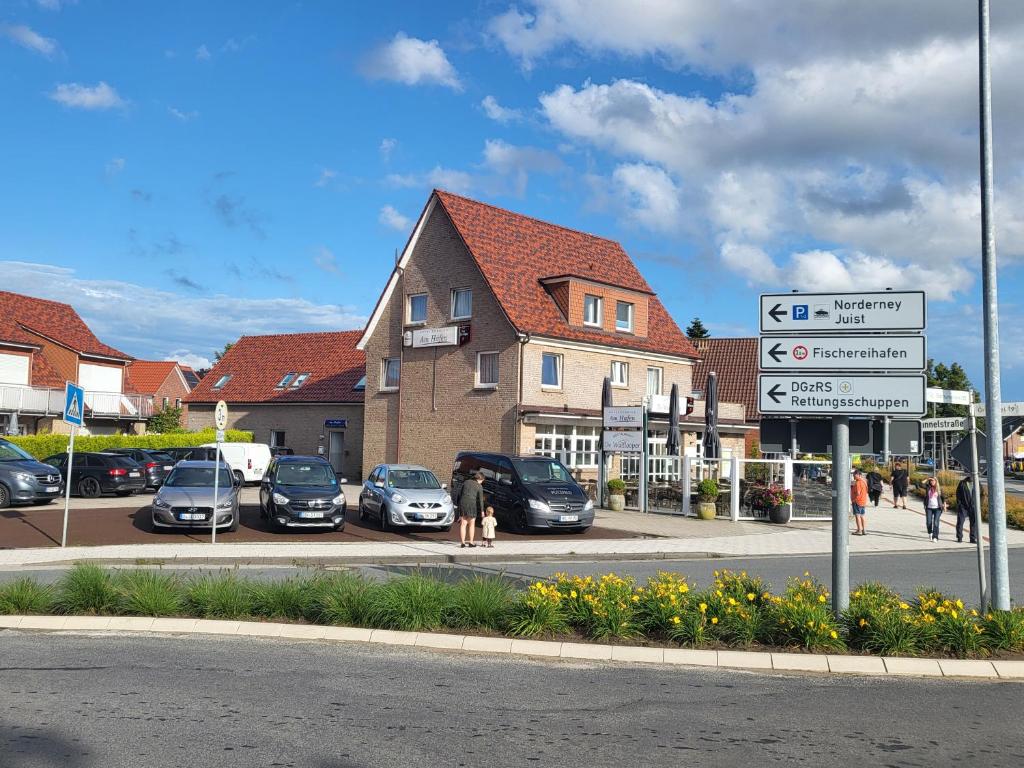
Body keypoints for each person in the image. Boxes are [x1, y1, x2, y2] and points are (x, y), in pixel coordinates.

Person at [456, 471, 484, 548]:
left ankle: (462, 543)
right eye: (482, 481)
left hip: (463, 504)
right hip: (472, 505)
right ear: (480, 478)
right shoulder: (479, 486)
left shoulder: (466, 482)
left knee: (463, 524)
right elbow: (481, 500)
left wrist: (458, 506)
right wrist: (482, 511)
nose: (482, 482)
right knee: (472, 524)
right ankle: (471, 542)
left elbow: (459, 494)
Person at [955, 476, 978, 544]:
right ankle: (959, 537)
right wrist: (959, 503)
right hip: (963, 506)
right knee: (960, 522)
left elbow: (982, 493)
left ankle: (972, 538)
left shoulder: (977, 483)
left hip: (973, 506)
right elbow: (958, 493)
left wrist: (979, 503)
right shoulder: (962, 483)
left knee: (973, 523)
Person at [923, 476, 946, 542]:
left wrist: (944, 506)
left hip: (938, 508)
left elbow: (943, 497)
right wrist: (928, 478)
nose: (932, 482)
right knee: (928, 522)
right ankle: (930, 532)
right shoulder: (928, 487)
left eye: (933, 481)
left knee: (936, 522)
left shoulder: (939, 489)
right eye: (931, 481)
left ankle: (935, 537)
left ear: (936, 481)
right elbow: (920, 484)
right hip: (929, 508)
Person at [850, 468, 869, 536]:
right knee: (862, 516)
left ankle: (859, 530)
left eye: (854, 475)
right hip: (863, 501)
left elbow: (858, 493)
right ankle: (864, 530)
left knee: (857, 516)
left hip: (857, 501)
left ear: (858, 475)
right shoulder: (864, 481)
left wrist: (853, 499)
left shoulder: (858, 483)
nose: (854, 477)